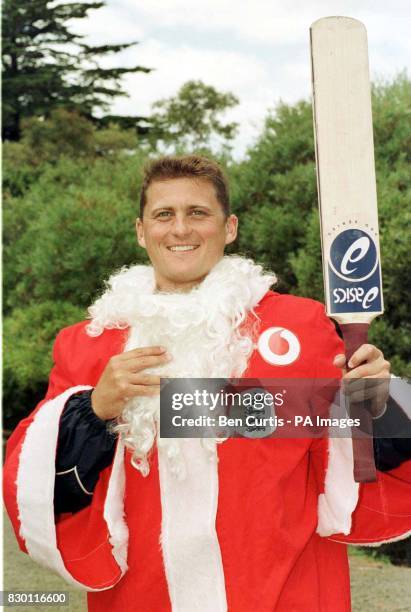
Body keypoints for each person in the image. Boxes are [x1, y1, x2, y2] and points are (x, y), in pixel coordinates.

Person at [4, 155, 410, 612]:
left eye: (198, 213)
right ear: (141, 231)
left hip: (284, 593)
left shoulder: (301, 325)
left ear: (229, 227)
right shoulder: (88, 346)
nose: (180, 229)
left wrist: (380, 400)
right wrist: (93, 409)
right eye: (163, 215)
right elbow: (37, 485)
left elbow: (358, 461)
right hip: (144, 597)